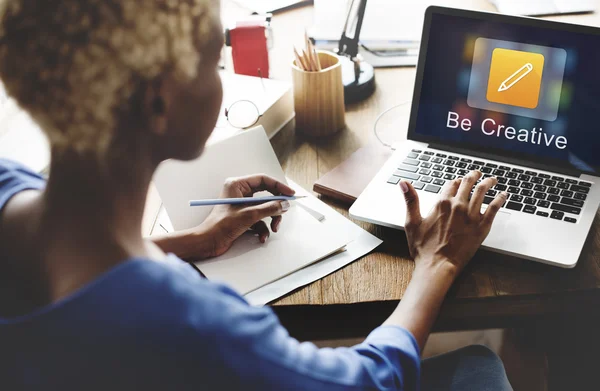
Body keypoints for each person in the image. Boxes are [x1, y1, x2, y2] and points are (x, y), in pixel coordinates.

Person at [0, 1, 512, 390]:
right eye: (213, 61)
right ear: (159, 100)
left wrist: (195, 241)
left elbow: (76, 274)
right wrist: (436, 264)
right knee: (480, 370)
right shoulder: (191, 323)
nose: (223, 76)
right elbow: (364, 381)